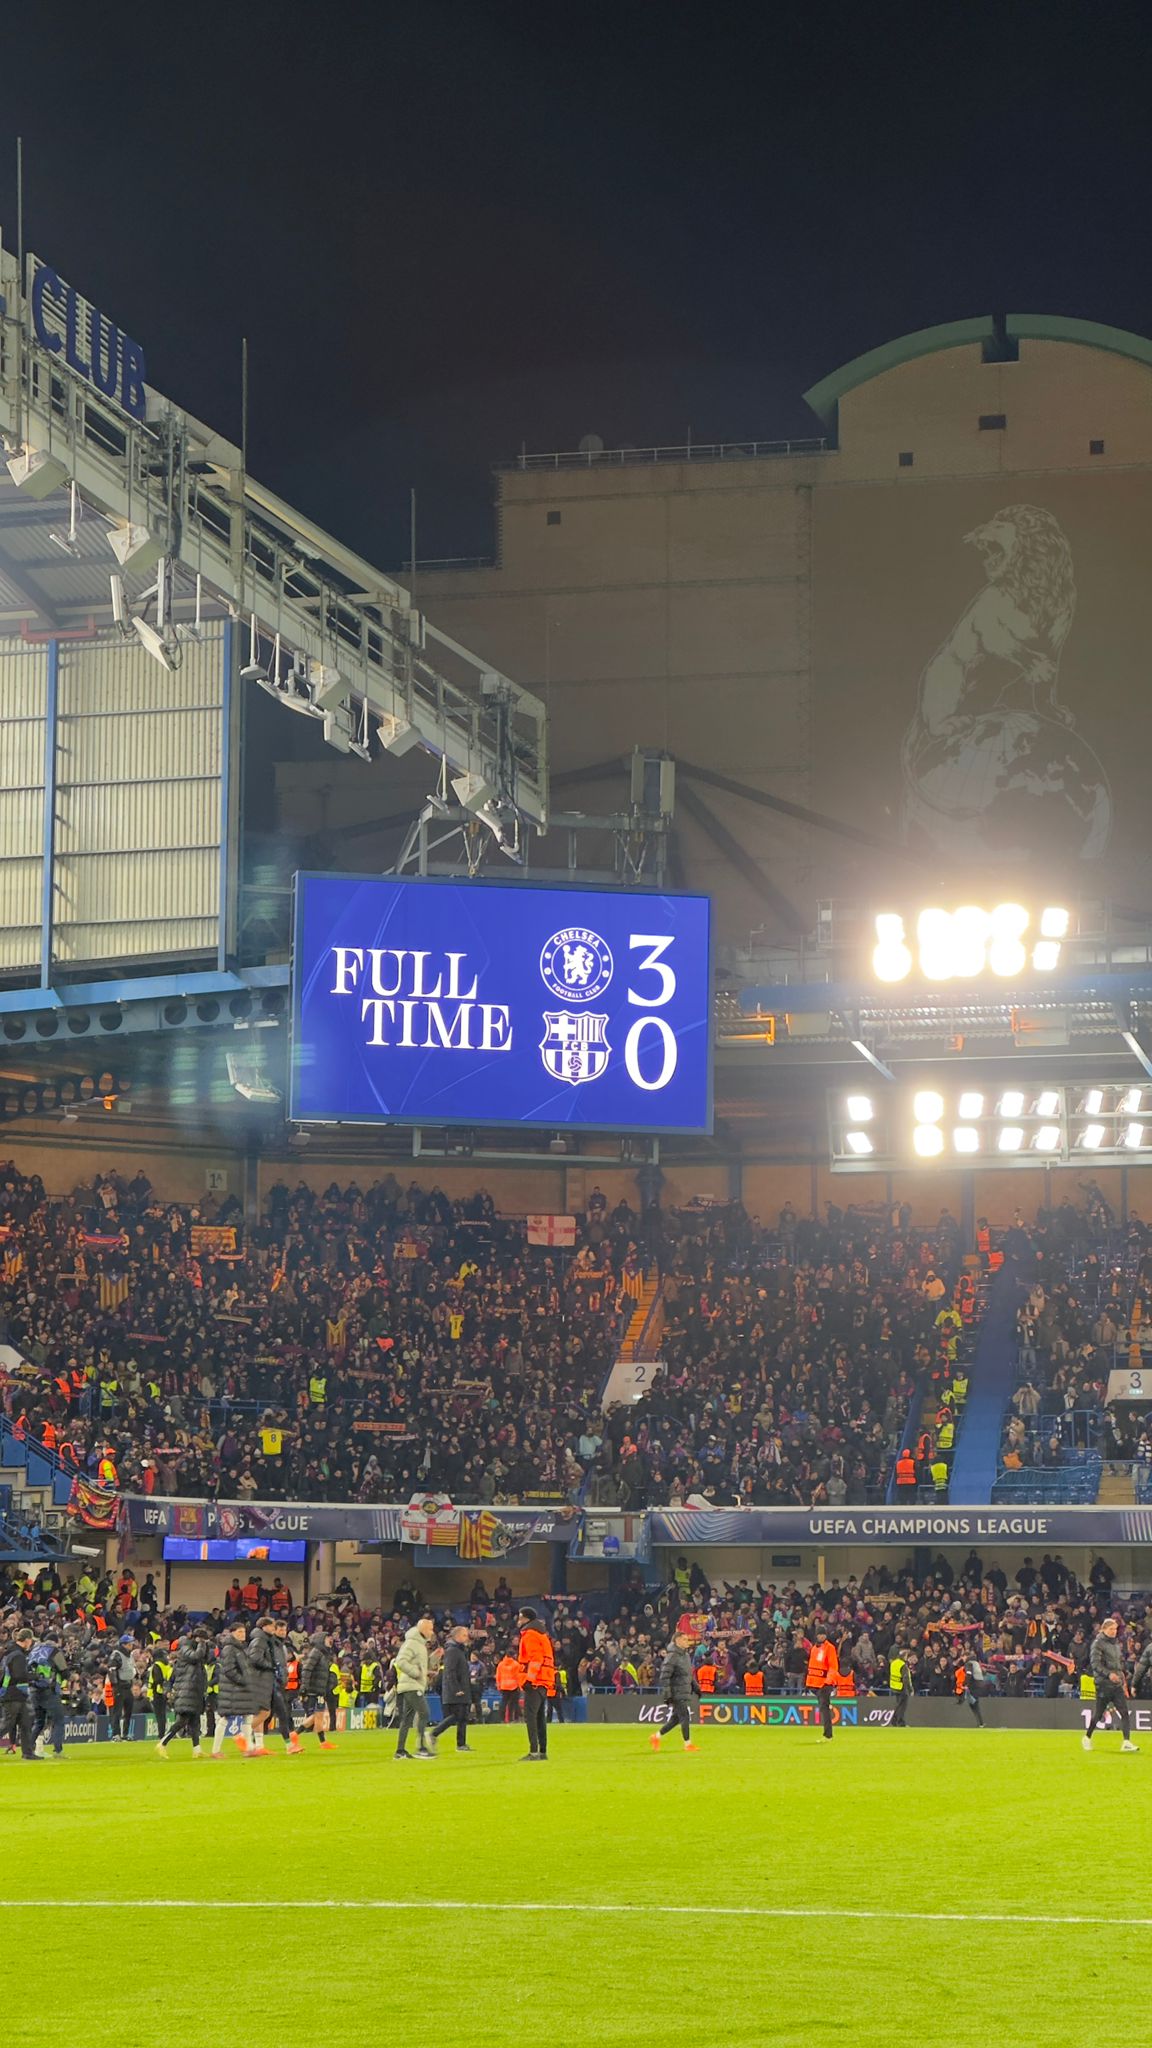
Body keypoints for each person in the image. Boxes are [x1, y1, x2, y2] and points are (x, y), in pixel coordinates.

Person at [1082, 1615, 1139, 1752]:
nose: (1114, 1631)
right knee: (1099, 1714)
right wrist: (1109, 1674)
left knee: (1124, 1712)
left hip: (1116, 1684)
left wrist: (1122, 1674)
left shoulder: (1115, 1644)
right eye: (1111, 1629)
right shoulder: (1097, 1644)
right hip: (1103, 1684)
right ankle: (1087, 1737)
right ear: (1104, 1629)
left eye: (1115, 1629)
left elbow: (1118, 1662)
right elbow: (1095, 1664)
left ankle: (1126, 1742)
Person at [157, 1632, 210, 1758]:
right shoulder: (186, 1650)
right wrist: (202, 1643)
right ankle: (162, 1743)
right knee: (182, 1721)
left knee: (194, 1723)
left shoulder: (188, 1657)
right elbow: (197, 1656)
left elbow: (204, 1657)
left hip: (194, 1692)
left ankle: (197, 1750)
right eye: (203, 1640)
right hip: (186, 1692)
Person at [213, 1616, 257, 1759]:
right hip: (232, 1689)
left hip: (240, 1689)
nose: (242, 1634)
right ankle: (216, 1750)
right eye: (239, 1632)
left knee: (247, 1716)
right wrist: (243, 1680)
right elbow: (229, 1669)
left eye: (243, 1632)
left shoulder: (240, 1648)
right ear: (232, 1633)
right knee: (225, 1718)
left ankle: (249, 1748)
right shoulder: (229, 1648)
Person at [516, 1606, 557, 1762]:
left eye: (520, 1617)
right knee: (540, 1717)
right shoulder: (542, 1634)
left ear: (526, 1618)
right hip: (545, 1680)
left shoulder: (530, 1634)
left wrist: (529, 1679)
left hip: (536, 1680)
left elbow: (535, 1658)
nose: (518, 1620)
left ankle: (533, 1752)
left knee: (531, 1716)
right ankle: (542, 1751)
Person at [394, 1615, 436, 1760]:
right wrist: (416, 1673)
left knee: (407, 1719)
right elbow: (400, 1661)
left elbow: (416, 1664)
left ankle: (400, 1751)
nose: (432, 1632)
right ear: (422, 1629)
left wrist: (427, 1669)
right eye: (430, 1629)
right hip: (411, 1686)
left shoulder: (419, 1644)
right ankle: (421, 1748)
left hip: (412, 1685)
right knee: (424, 1713)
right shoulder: (412, 1643)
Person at [650, 1629, 698, 1752]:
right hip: (676, 1691)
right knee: (685, 1716)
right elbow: (664, 1676)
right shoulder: (672, 1656)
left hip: (683, 1690)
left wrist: (695, 1686)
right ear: (677, 1641)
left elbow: (687, 1674)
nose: (687, 1642)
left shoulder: (685, 1656)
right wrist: (668, 1694)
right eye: (685, 1639)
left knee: (676, 1719)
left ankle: (656, 1736)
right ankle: (687, 1744)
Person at [428, 1625, 473, 1754]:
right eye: (464, 1635)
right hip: (457, 1689)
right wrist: (456, 1689)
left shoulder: (458, 1650)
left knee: (463, 1716)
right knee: (457, 1715)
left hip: (462, 1687)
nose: (467, 1637)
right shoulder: (453, 1651)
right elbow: (450, 1672)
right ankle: (434, 1734)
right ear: (457, 1636)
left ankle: (461, 1744)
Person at [1, 1628, 40, 1759]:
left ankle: (27, 1753)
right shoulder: (18, 1655)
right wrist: (34, 1676)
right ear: (27, 1640)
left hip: (17, 1694)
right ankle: (27, 1753)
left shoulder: (10, 1652)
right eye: (31, 1641)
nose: (31, 1643)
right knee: (7, 1724)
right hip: (13, 1694)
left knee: (26, 1722)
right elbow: (18, 1675)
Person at [299, 1633, 337, 1750]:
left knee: (319, 1715)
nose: (329, 1640)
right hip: (315, 1690)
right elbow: (307, 1669)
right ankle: (295, 1734)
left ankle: (323, 1742)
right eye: (327, 1638)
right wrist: (304, 1687)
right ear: (321, 1640)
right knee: (317, 1715)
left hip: (319, 1690)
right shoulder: (316, 1653)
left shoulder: (323, 1654)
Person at [805, 1623, 839, 1741]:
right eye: (820, 1634)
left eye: (823, 1634)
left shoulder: (830, 1648)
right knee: (823, 1708)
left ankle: (828, 1735)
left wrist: (828, 1682)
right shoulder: (814, 1648)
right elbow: (811, 1667)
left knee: (824, 1709)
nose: (822, 1636)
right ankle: (827, 1735)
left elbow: (833, 1666)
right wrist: (808, 1683)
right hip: (815, 1684)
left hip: (824, 1684)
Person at [107, 1636, 137, 1741]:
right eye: (129, 1644)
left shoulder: (130, 1655)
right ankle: (116, 1734)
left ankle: (125, 1733)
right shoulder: (117, 1655)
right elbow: (111, 1670)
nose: (131, 1645)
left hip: (128, 1686)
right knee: (117, 1712)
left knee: (128, 1711)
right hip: (119, 1686)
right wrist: (115, 1684)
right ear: (123, 1644)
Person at [888, 1646, 912, 1728]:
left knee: (898, 1704)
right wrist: (909, 1689)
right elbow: (906, 1678)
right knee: (902, 1706)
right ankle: (900, 1722)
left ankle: (894, 1721)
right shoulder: (903, 1665)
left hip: (894, 1686)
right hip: (901, 1687)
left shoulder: (894, 1663)